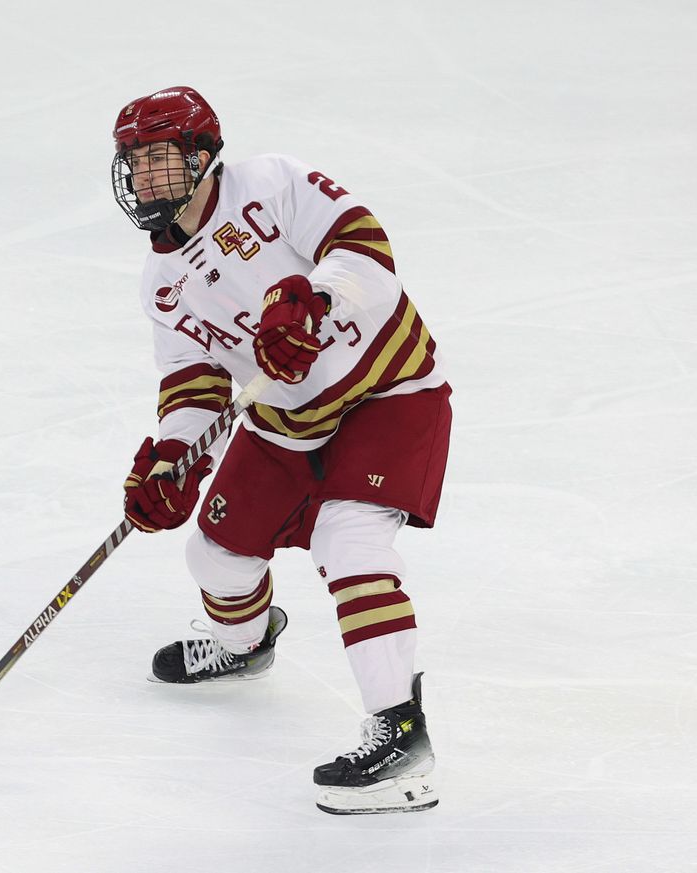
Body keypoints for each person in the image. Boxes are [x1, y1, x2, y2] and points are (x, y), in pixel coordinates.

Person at [112, 86, 451, 815]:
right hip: (287, 421)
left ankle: (402, 738)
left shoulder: (270, 184)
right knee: (213, 556)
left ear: (203, 159)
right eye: (133, 165)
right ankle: (245, 643)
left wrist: (313, 301)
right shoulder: (161, 281)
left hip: (387, 393)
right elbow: (192, 380)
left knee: (349, 541)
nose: (143, 180)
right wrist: (173, 461)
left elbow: (366, 247)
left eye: (159, 161)